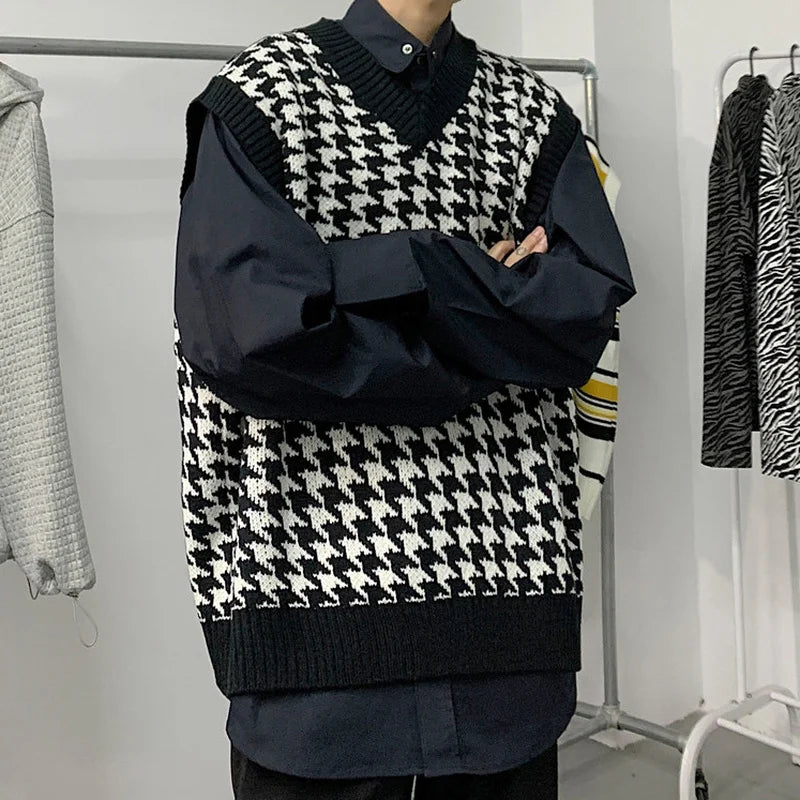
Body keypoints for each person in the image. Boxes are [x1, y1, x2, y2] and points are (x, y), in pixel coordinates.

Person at [172, 1, 635, 798]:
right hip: (312, 640)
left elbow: (576, 327)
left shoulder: (535, 118)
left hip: (507, 636)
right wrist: (447, 274)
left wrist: (345, 283)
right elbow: (247, 339)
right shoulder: (261, 97)